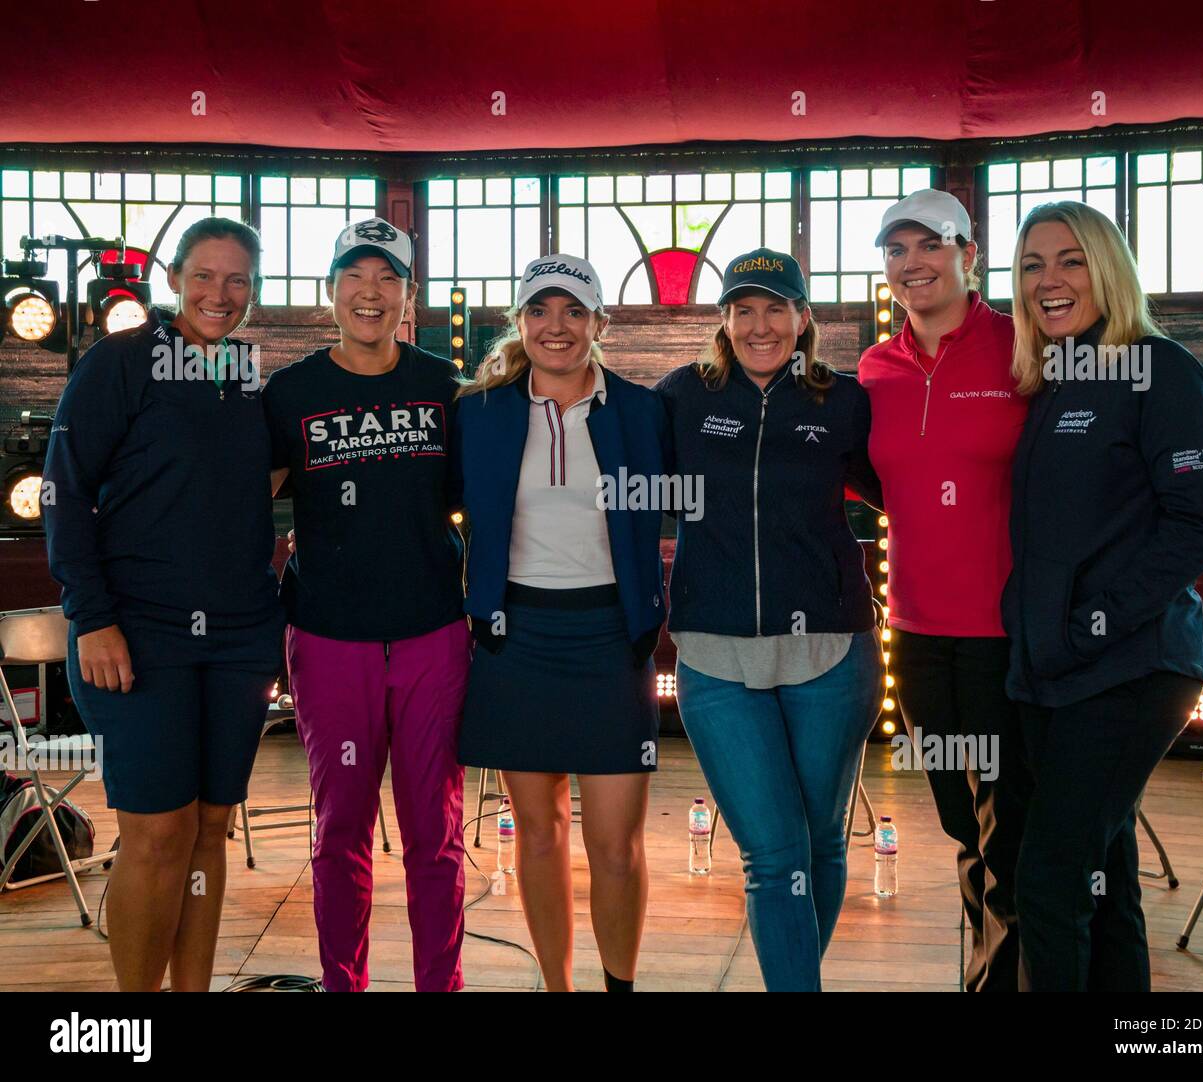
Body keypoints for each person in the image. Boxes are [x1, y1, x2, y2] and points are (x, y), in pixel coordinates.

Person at [44, 217, 284, 991]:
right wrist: (92, 614)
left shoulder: (247, 376)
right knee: (157, 834)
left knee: (211, 829)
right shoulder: (118, 363)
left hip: (241, 633)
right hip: (139, 631)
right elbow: (65, 494)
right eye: (206, 275)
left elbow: (255, 487)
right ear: (174, 277)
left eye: (238, 279)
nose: (221, 293)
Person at [1002, 200, 1203, 992]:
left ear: (1109, 270)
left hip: (1130, 667)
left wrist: (1089, 626)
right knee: (1106, 881)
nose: (1048, 280)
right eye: (1032, 265)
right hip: (1054, 675)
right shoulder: (1054, 382)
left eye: (1069, 260)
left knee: (1049, 880)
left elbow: (1199, 526)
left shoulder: (1159, 369)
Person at [656, 247, 882, 992]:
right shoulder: (682, 398)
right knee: (773, 852)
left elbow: (910, 491)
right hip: (716, 658)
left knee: (819, 841)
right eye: (744, 308)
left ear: (803, 318)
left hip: (829, 650)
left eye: (776, 308)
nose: (761, 325)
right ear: (723, 321)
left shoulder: (842, 402)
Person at [261, 218, 471, 992]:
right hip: (329, 639)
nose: (371, 292)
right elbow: (243, 505)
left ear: (409, 297)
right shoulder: (290, 393)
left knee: (434, 836)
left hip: (431, 637)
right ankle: (342, 984)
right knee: (341, 829)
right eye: (355, 276)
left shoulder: (446, 384)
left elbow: (477, 502)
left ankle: (437, 986)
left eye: (388, 279)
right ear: (331, 293)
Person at [456, 254, 668, 992]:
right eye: (540, 311)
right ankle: (558, 986)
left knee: (615, 845)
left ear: (599, 325)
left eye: (573, 312)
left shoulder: (642, 412)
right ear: (519, 323)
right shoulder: (478, 413)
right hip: (517, 640)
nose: (556, 327)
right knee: (540, 836)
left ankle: (620, 986)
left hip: (612, 639)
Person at [857, 189, 1032, 992]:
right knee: (963, 824)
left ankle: (1001, 981)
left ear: (970, 254)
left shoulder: (1023, 345)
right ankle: (983, 964)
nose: (913, 262)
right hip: (918, 634)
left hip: (1011, 632)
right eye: (897, 249)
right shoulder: (875, 368)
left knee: (1011, 831)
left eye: (931, 244)